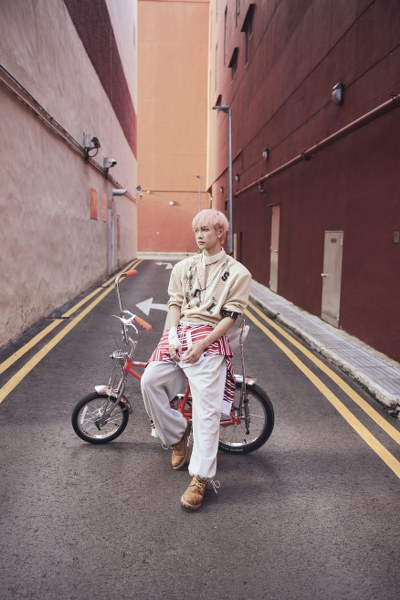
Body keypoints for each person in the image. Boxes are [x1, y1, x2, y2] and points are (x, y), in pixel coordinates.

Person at [141, 209, 251, 510]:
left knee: (206, 411)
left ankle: (201, 477)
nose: (199, 235)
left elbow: (230, 317)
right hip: (180, 332)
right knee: (149, 381)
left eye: (205, 230)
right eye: (196, 230)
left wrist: (203, 345)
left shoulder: (239, 273)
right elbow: (174, 303)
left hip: (209, 338)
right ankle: (177, 434)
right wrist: (171, 337)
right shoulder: (184, 267)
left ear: (220, 233)